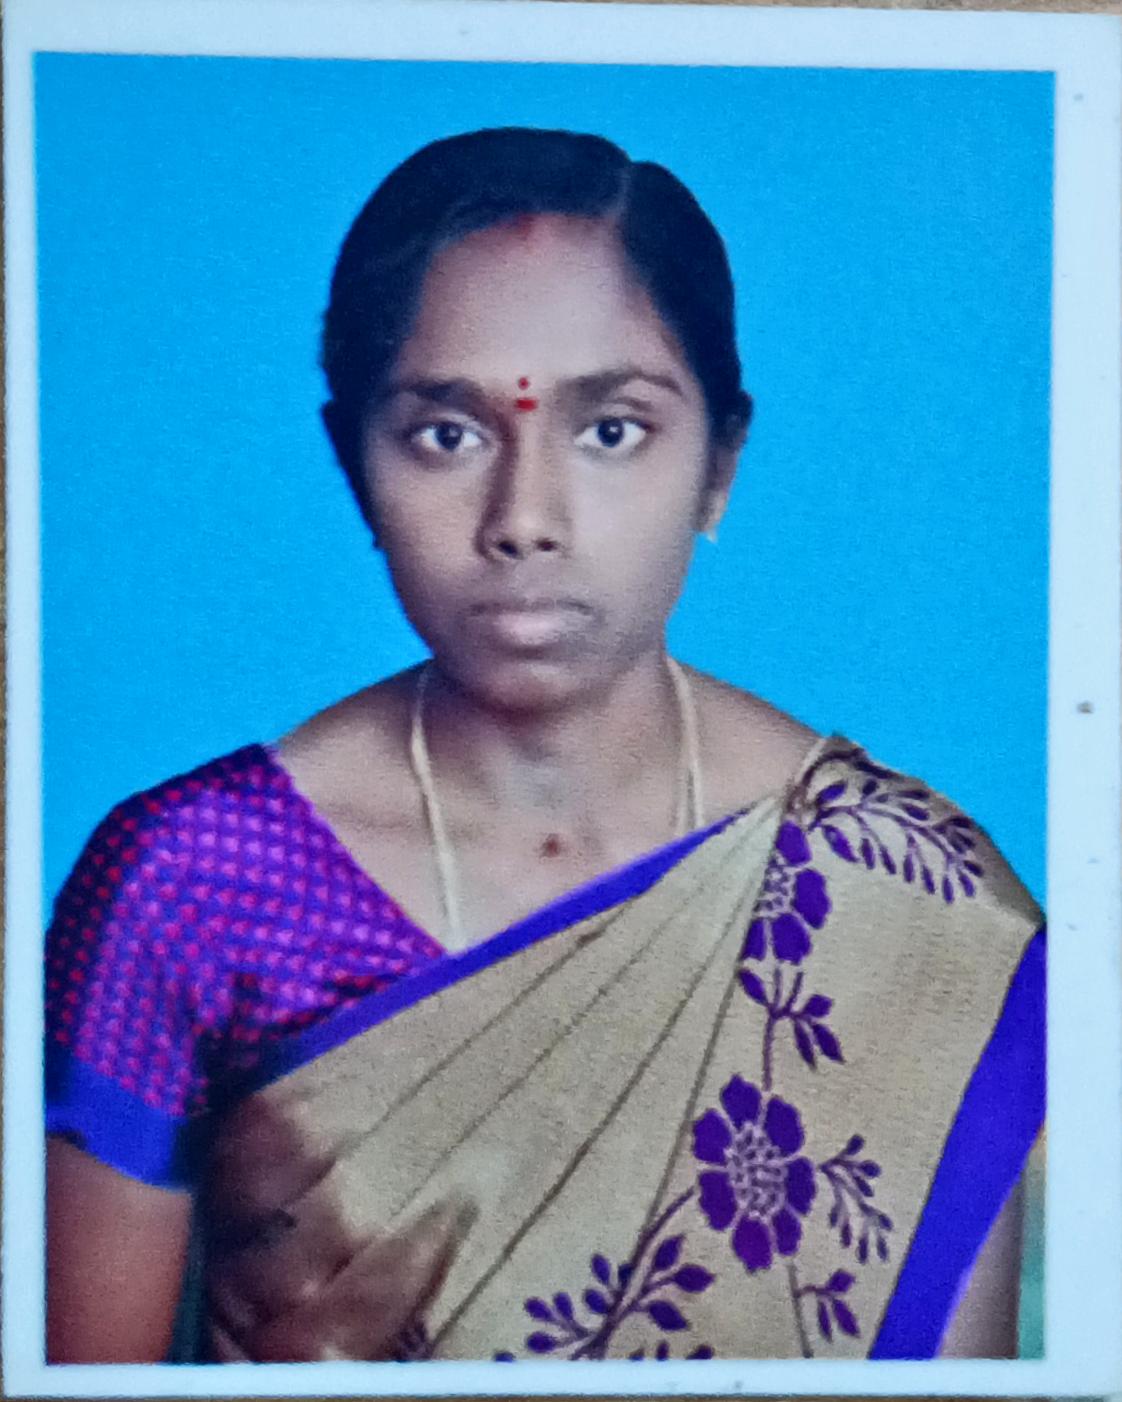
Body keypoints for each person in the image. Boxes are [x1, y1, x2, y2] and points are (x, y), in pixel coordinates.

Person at [44, 127, 1044, 1365]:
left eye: (612, 429)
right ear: (354, 466)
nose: (525, 519)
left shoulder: (914, 904)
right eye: (446, 434)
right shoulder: (194, 884)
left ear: (720, 464)